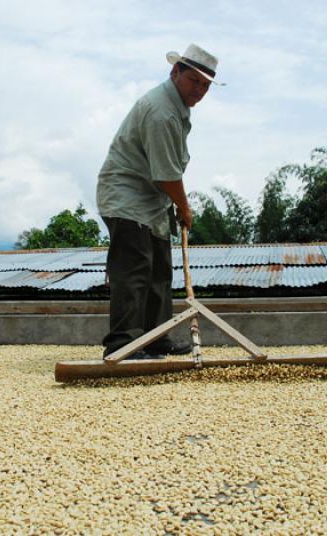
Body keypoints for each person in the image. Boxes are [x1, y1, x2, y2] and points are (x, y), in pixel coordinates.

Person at [96, 43, 223, 360]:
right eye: (194, 81)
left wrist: (173, 205)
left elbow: (166, 171)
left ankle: (155, 339)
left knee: (160, 272)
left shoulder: (177, 109)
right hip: (127, 198)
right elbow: (167, 175)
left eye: (205, 86)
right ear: (175, 71)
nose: (199, 90)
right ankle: (122, 343)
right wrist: (184, 207)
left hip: (150, 202)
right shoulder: (163, 112)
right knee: (135, 269)